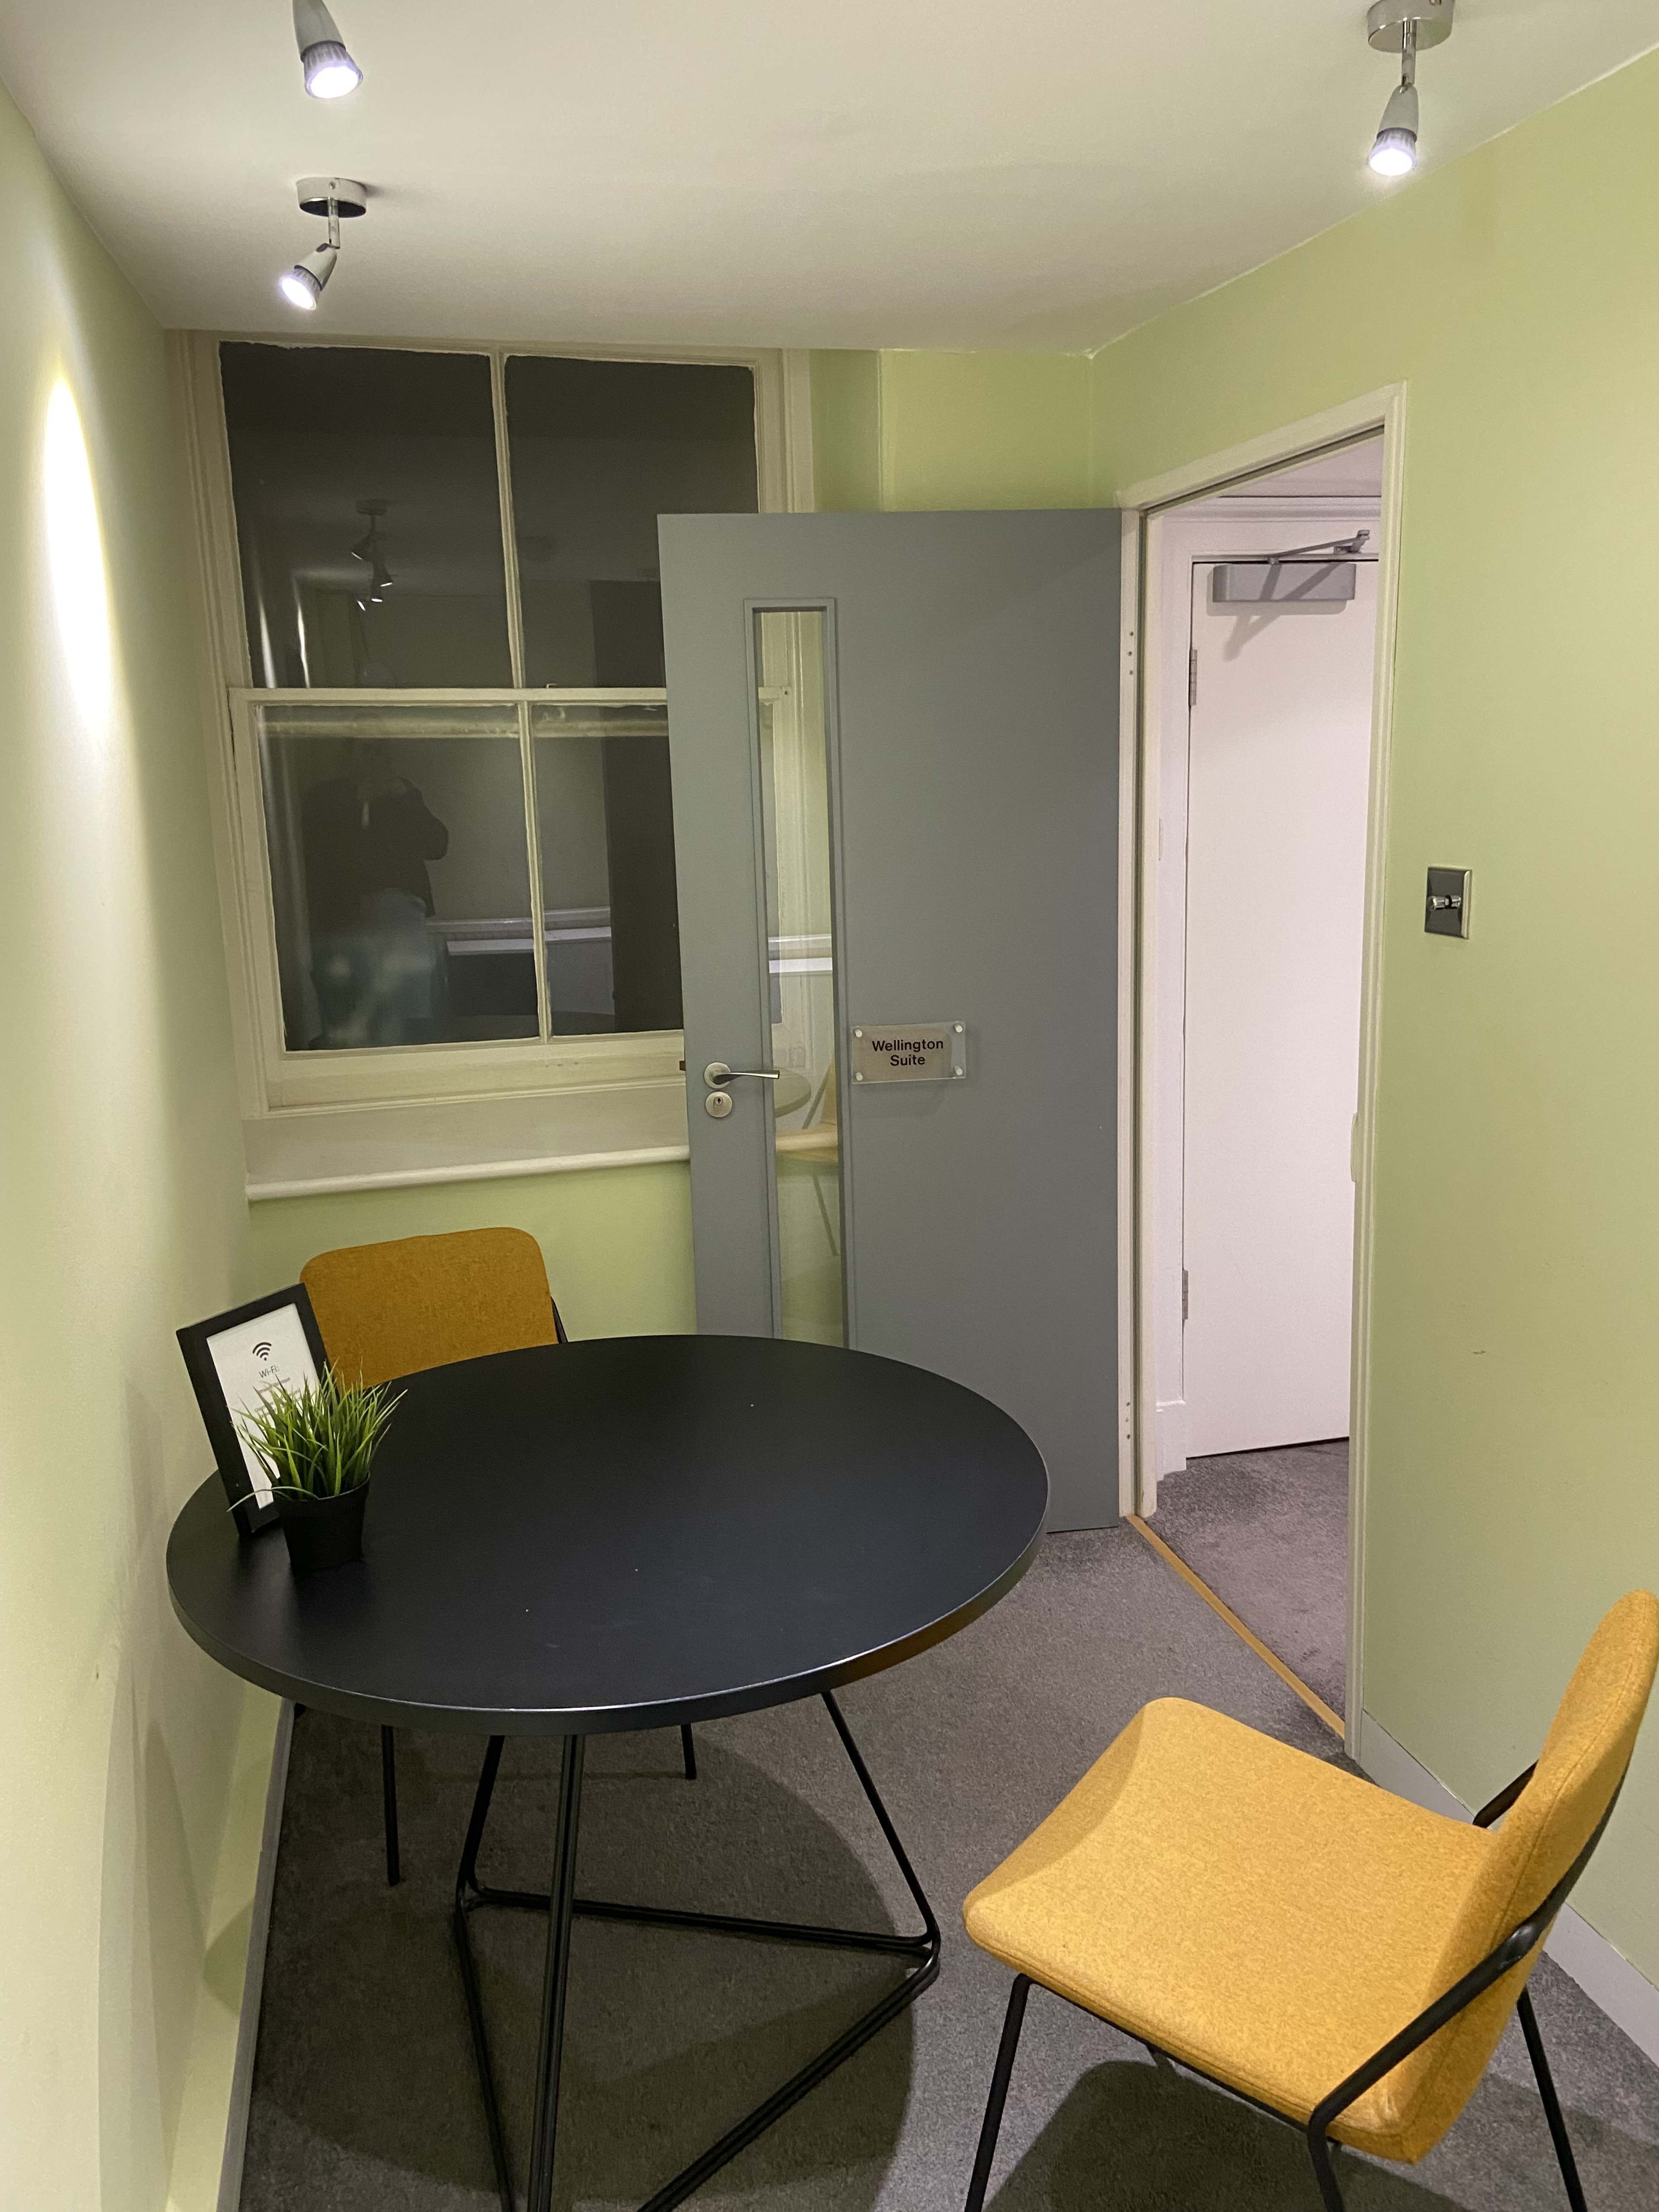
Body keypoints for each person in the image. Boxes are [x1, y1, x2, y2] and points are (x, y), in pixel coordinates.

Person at [302, 746, 451, 1047]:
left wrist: (408, 800)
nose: (374, 760)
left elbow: (437, 845)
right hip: (351, 913)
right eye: (365, 751)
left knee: (410, 1002)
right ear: (348, 757)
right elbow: (323, 850)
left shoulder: (403, 796)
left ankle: (411, 1059)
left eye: (380, 751)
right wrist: (357, 802)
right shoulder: (328, 797)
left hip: (401, 905)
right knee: (365, 1007)